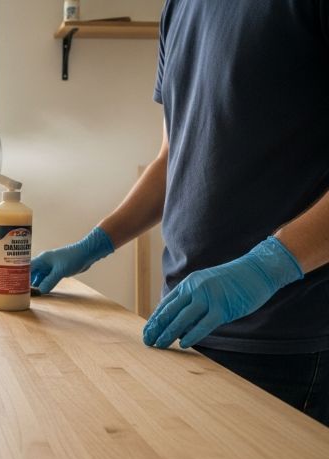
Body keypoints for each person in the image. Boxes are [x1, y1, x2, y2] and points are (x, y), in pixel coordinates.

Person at [30, 0, 329, 426]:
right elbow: (174, 157)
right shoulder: (180, 7)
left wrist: (266, 268)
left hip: (282, 344)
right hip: (182, 324)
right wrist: (94, 244)